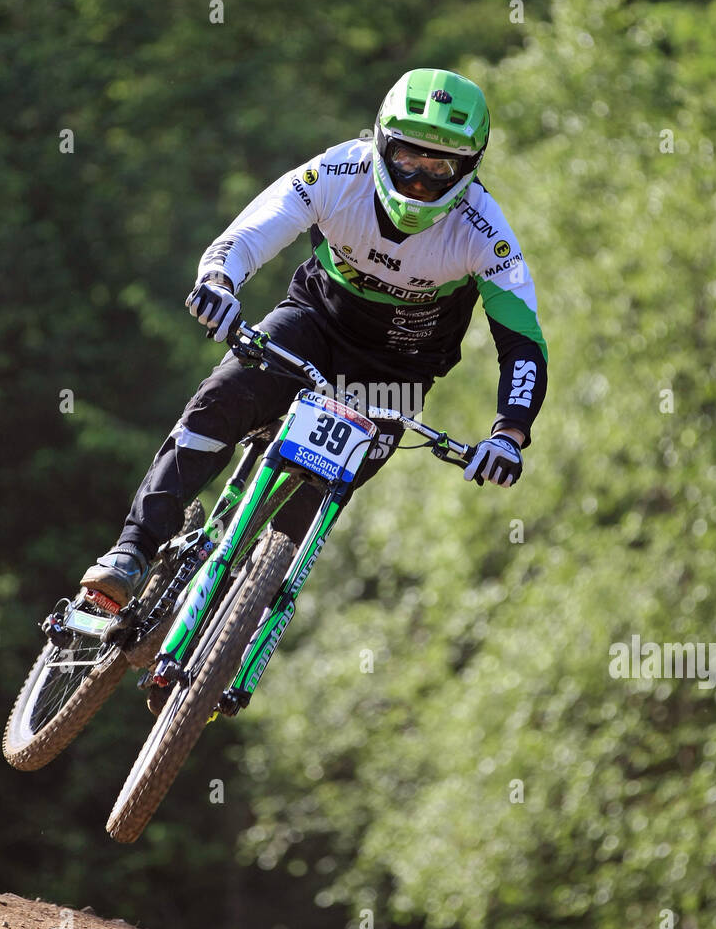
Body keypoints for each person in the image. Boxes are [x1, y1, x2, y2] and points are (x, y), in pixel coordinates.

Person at [81, 67, 548, 610]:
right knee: (221, 401)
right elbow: (256, 230)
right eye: (407, 159)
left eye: (439, 166)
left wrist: (508, 435)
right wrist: (219, 282)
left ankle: (222, 621)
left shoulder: (485, 232)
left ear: (469, 167)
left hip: (397, 373)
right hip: (312, 328)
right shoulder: (338, 171)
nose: (419, 181)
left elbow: (522, 343)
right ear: (381, 142)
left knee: (308, 513)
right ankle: (132, 550)